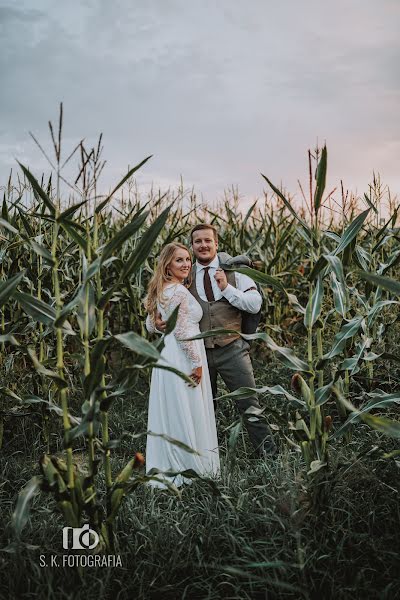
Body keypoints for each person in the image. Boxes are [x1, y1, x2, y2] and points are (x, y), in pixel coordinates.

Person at [152, 224, 276, 458]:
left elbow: (255, 303)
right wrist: (158, 324)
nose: (203, 245)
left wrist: (226, 288)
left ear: (216, 244)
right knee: (202, 407)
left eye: (208, 240)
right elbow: (168, 308)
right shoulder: (184, 274)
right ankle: (207, 456)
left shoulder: (235, 271)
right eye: (197, 241)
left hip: (232, 348)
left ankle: (268, 454)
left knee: (249, 403)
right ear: (192, 246)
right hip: (197, 353)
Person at [144, 242, 220, 487]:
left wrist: (156, 324)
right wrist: (197, 364)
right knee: (188, 406)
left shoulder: (162, 290)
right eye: (179, 260)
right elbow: (183, 331)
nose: (186, 264)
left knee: (172, 408)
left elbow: (150, 325)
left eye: (187, 259)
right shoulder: (176, 291)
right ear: (168, 264)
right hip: (183, 356)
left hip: (167, 356)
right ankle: (191, 467)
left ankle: (171, 462)